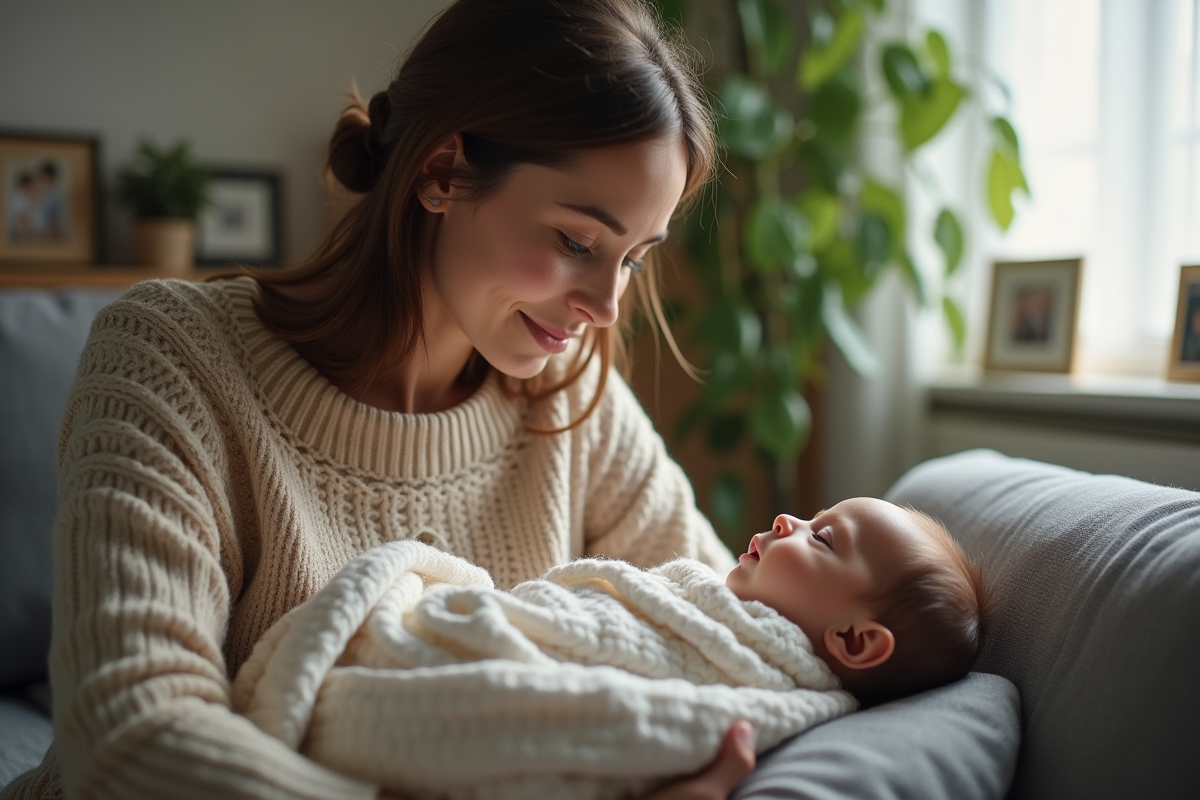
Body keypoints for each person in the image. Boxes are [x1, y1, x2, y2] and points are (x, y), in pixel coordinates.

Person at [1, 2, 757, 799]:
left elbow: (741, 633)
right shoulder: (171, 357)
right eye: (576, 241)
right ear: (441, 172)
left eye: (633, 259)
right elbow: (132, 737)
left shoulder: (573, 400)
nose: (605, 307)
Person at [231, 497, 986, 799]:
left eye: (823, 538)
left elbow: (628, 701)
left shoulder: (764, 682)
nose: (790, 519)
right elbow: (580, 614)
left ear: (853, 639)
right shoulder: (708, 603)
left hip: (440, 700)